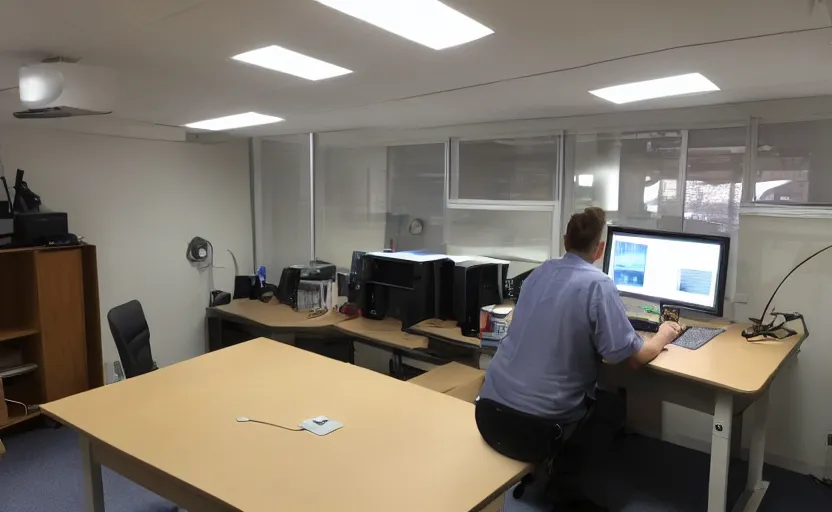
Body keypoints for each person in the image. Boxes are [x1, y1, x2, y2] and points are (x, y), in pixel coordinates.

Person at [475, 207, 683, 511]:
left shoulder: (537, 274)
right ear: (600, 249)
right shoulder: (598, 284)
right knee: (611, 406)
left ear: (564, 241)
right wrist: (665, 333)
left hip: (488, 414)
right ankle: (565, 488)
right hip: (533, 432)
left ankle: (551, 471)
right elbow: (637, 358)